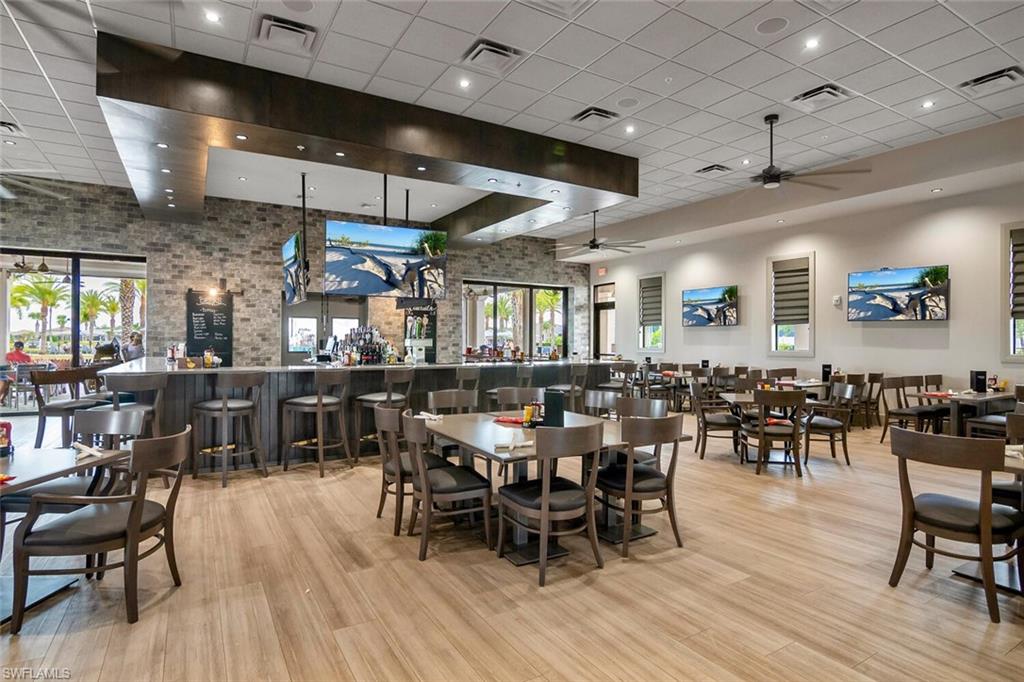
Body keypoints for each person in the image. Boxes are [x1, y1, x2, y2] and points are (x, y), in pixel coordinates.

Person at [0, 341, 32, 406]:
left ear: (14, 347)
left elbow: (9, 364)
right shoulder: (27, 357)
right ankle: (2, 400)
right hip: (24, 379)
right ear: (22, 348)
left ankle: (2, 399)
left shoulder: (9, 355)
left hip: (13, 377)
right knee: (6, 381)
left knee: (6, 381)